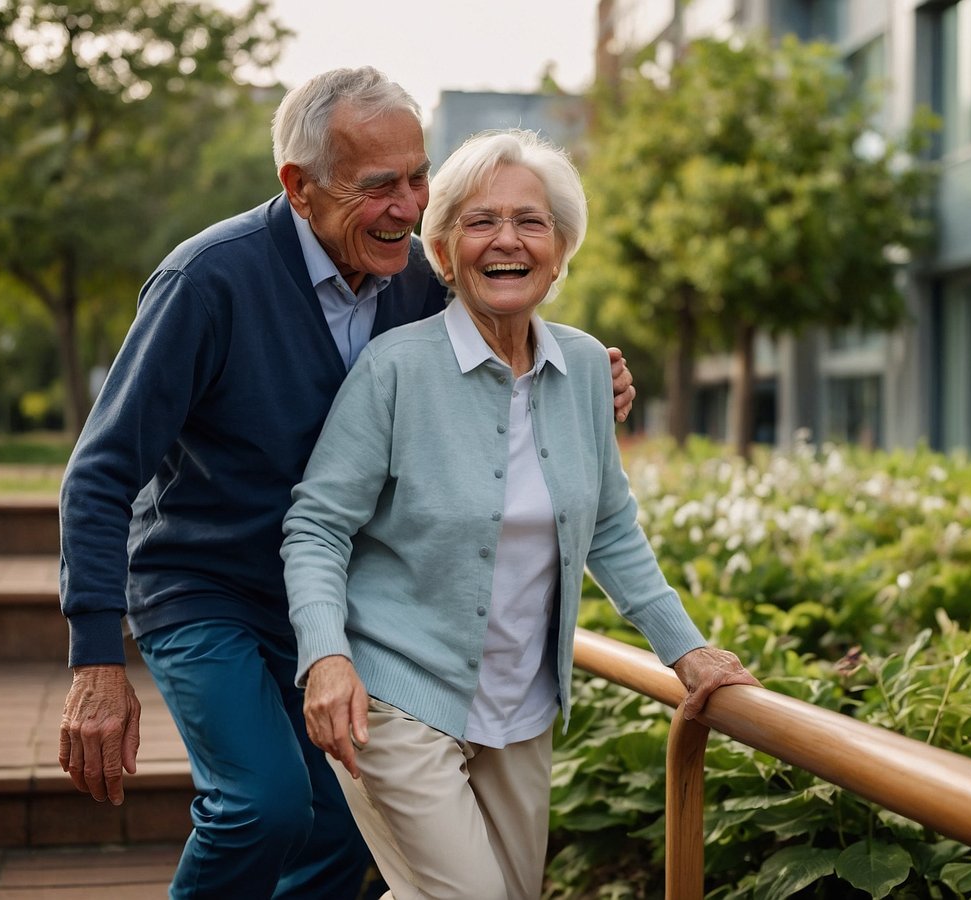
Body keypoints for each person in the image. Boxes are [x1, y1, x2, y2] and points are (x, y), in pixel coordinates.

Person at [56, 70, 636, 899]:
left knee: (340, 819)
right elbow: (102, 472)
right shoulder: (208, 282)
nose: (409, 207)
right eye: (378, 187)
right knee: (263, 805)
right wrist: (95, 663)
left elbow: (509, 318)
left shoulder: (413, 279)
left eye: (418, 177)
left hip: (334, 599)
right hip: (205, 585)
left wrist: (596, 376)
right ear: (298, 186)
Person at [281, 128, 762, 900]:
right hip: (396, 698)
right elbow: (317, 525)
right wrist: (326, 655)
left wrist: (688, 652)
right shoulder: (395, 370)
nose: (506, 240)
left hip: (522, 708)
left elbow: (609, 527)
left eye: (530, 222)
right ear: (442, 252)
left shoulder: (583, 370)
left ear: (561, 248)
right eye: (479, 222)